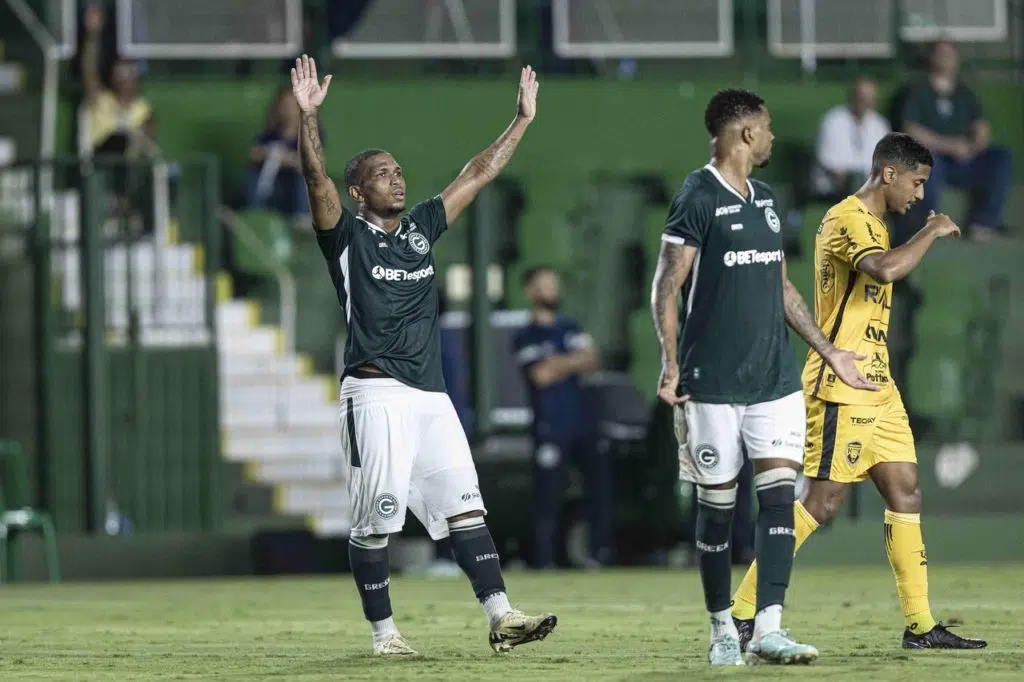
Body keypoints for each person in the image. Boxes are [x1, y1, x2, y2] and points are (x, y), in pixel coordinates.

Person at [291, 55, 554, 657]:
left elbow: (477, 173)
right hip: (375, 393)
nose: (397, 179)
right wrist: (309, 119)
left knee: (466, 508)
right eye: (383, 174)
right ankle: (385, 636)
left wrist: (521, 121)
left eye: (399, 170)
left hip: (432, 397)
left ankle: (502, 615)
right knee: (375, 522)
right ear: (360, 191)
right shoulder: (347, 238)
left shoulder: (420, 230)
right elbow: (315, 180)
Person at [729, 133, 987, 652]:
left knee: (906, 490)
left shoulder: (877, 223)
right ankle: (742, 611)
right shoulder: (848, 218)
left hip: (879, 385)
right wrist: (933, 230)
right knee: (821, 504)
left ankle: (920, 625)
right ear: (889, 173)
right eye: (916, 183)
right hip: (841, 381)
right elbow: (884, 269)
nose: (918, 195)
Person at [650, 88, 874, 666]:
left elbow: (781, 288)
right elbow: (666, 287)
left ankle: (768, 627)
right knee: (717, 509)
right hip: (712, 384)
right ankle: (722, 628)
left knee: (779, 502)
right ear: (745, 133)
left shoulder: (769, 200)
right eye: (767, 128)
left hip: (774, 380)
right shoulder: (696, 196)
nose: (773, 137)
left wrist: (828, 352)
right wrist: (671, 364)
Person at [512, 266, 611, 569]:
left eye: (553, 284)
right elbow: (540, 375)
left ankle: (600, 553)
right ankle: (545, 560)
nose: (550, 290)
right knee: (548, 494)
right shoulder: (526, 334)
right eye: (543, 285)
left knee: (600, 487)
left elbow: (592, 359)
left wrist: (558, 363)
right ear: (530, 291)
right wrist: (572, 362)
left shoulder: (570, 326)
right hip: (550, 424)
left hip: (583, 420)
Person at [901, 39, 1013, 243]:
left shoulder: (965, 93)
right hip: (935, 161)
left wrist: (973, 146)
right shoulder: (917, 90)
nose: (946, 58)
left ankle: (984, 222)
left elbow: (981, 129)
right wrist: (951, 146)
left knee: (1001, 157)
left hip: (965, 160)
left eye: (950, 54)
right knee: (926, 160)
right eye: (941, 53)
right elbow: (912, 131)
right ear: (931, 57)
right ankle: (931, 225)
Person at [812, 77, 891, 199]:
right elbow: (826, 161)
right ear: (853, 96)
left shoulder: (879, 124)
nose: (865, 101)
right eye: (862, 96)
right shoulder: (833, 120)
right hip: (835, 186)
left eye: (870, 97)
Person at [246, 87, 314, 222]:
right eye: (284, 106)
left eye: (291, 105)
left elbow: (314, 166)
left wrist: (288, 159)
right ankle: (254, 214)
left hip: (296, 189)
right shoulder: (270, 135)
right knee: (254, 174)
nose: (287, 110)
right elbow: (253, 155)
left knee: (303, 178)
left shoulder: (310, 135)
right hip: (273, 186)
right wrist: (267, 154)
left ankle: (302, 221)